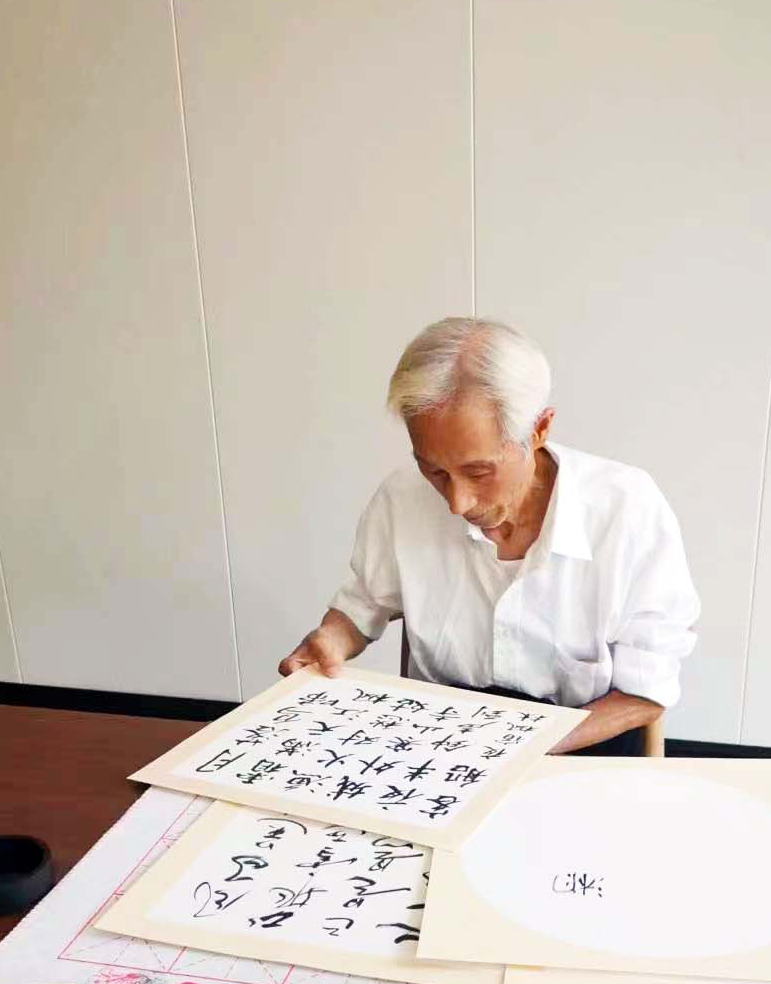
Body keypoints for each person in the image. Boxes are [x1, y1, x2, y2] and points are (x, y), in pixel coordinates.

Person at [279, 317, 699, 754]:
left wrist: (516, 750)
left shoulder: (626, 509)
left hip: (579, 742)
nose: (457, 503)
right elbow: (363, 605)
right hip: (443, 741)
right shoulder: (403, 496)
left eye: (478, 472)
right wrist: (329, 640)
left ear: (539, 430)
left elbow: (646, 692)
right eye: (434, 471)